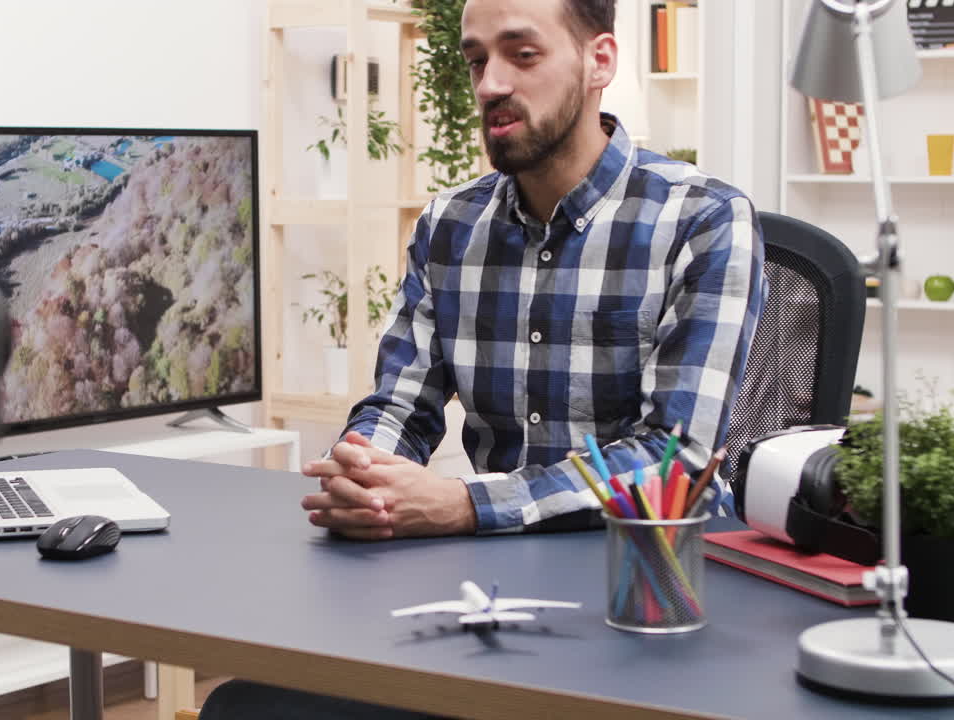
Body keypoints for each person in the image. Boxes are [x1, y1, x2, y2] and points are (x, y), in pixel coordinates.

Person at [202, 0, 763, 715]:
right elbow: (401, 403)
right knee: (250, 708)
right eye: (476, 60)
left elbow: (671, 459)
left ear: (600, 63)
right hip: (497, 590)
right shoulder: (450, 224)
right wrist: (364, 474)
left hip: (653, 592)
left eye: (521, 54)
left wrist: (462, 504)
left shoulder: (704, 218)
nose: (491, 83)